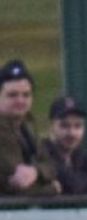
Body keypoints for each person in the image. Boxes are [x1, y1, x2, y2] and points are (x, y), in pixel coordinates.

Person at [0, 59, 60, 197]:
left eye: (26, 95)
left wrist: (36, 171)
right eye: (12, 95)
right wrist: (52, 188)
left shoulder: (27, 127)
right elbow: (17, 185)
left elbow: (52, 165)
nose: (20, 100)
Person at [41, 96, 87, 195]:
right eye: (64, 126)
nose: (72, 133)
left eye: (78, 126)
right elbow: (72, 184)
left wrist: (86, 183)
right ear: (51, 127)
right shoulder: (42, 153)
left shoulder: (78, 155)